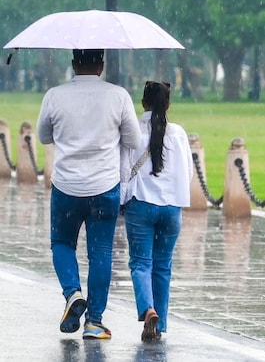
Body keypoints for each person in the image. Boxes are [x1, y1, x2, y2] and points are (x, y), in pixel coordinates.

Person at [37, 49, 142, 339]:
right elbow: (134, 139)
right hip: (104, 187)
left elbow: (44, 136)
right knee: (101, 253)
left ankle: (72, 293)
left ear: (74, 64)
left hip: (66, 187)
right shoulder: (118, 95)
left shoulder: (54, 95)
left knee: (61, 242)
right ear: (102, 65)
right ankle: (94, 321)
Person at [120, 81, 193, 342]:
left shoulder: (133, 132)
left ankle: (147, 309)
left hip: (141, 204)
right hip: (172, 208)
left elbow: (124, 168)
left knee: (141, 263)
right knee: (163, 267)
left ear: (143, 103)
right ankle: (159, 324)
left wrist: (120, 200)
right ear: (168, 104)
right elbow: (189, 172)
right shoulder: (179, 133)